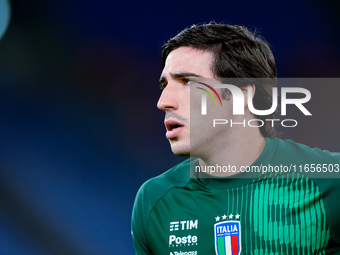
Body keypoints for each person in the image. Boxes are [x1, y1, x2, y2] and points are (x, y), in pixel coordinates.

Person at [131, 23, 340, 255]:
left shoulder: (329, 180)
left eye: (187, 81)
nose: (163, 101)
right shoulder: (155, 202)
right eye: (164, 84)